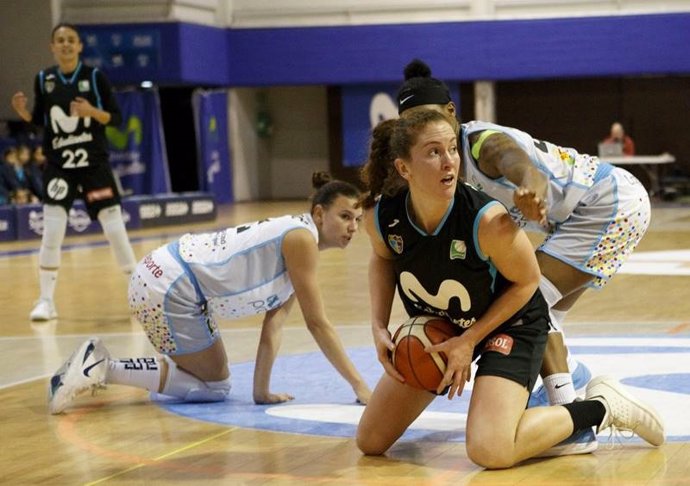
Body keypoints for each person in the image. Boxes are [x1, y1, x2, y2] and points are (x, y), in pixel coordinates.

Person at [355, 110, 663, 468]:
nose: (449, 161)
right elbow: (382, 258)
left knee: (490, 450)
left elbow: (528, 283)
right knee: (371, 440)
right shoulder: (382, 216)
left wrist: (470, 341)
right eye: (433, 152)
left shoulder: (487, 220)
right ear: (404, 168)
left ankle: (602, 406)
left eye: (452, 149)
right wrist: (378, 326)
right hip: (448, 324)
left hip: (511, 322)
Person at [48, 172, 372, 414]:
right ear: (319, 214)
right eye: (345, 217)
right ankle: (100, 366)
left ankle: (99, 365)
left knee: (212, 381)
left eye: (357, 219)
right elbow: (318, 323)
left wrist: (261, 392)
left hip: (163, 279)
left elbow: (273, 326)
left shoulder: (298, 240)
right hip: (170, 285)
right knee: (215, 386)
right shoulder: (301, 239)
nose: (353, 227)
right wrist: (360, 386)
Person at [10, 23, 137, 321]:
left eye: (71, 40)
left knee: (114, 229)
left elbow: (116, 118)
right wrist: (25, 114)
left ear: (80, 46)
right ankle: (45, 301)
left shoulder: (94, 77)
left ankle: (137, 292)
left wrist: (92, 112)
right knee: (52, 230)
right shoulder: (44, 79)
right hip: (59, 166)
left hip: (93, 164)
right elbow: (42, 120)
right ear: (52, 47)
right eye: (60, 40)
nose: (65, 45)